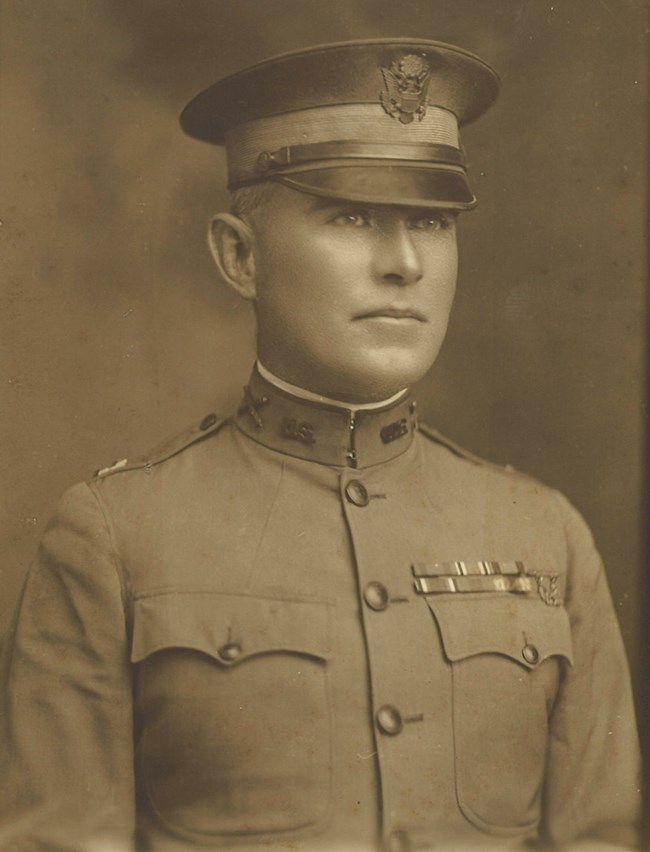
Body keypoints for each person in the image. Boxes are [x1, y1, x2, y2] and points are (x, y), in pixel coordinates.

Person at [0, 38, 641, 852]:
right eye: (351, 215)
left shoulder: (548, 535)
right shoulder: (113, 539)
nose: (403, 264)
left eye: (432, 222)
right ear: (240, 256)